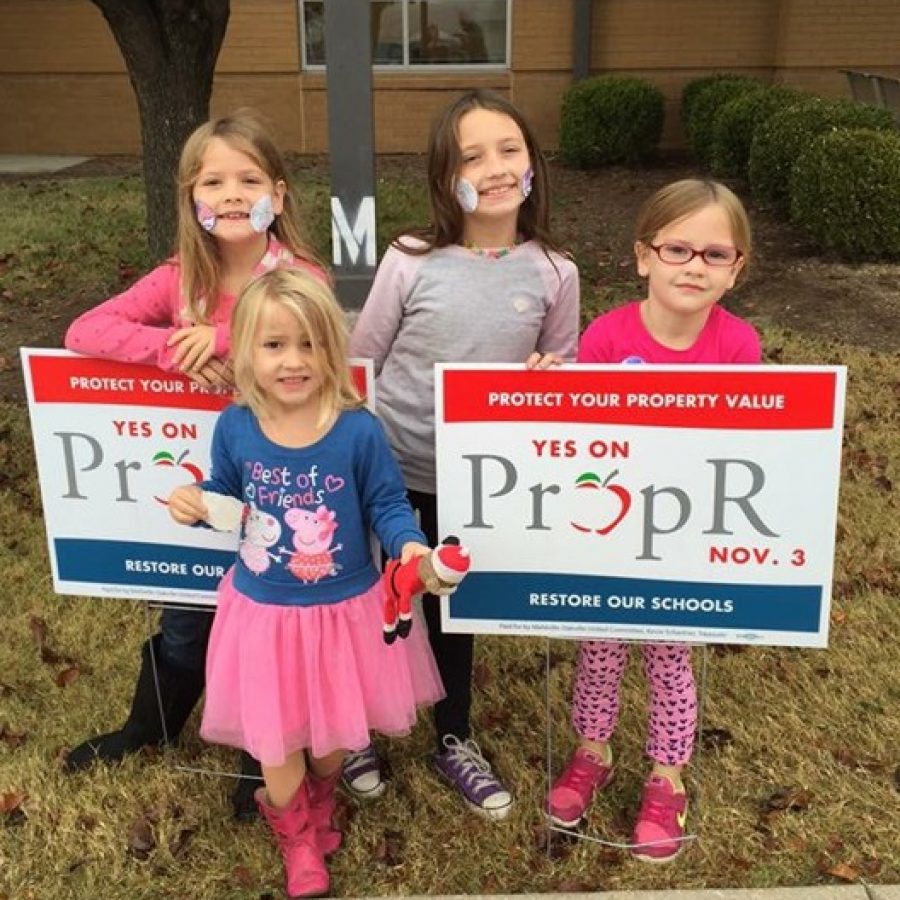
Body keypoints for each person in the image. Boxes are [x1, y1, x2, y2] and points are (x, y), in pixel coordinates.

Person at [62, 109, 325, 821]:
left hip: (278, 489)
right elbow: (84, 330)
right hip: (195, 492)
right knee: (188, 619)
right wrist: (171, 345)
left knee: (267, 626)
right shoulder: (178, 280)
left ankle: (260, 756)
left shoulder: (301, 276)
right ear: (191, 197)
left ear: (278, 190)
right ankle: (147, 726)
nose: (232, 193)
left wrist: (221, 341)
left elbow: (313, 345)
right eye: (214, 180)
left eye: (247, 178)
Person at [168, 267, 443, 898]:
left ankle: (318, 800)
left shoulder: (357, 430)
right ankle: (295, 836)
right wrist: (197, 500)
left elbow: (388, 504)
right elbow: (224, 491)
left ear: (331, 349)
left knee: (332, 736)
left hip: (344, 609)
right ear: (243, 352)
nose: (292, 361)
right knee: (277, 733)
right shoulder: (236, 425)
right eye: (273, 345)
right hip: (265, 612)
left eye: (308, 344)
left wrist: (411, 547)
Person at [349, 88, 580, 819]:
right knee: (378, 605)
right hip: (392, 473)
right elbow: (362, 364)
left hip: (479, 485)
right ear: (447, 175)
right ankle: (356, 728)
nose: (496, 167)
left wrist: (550, 380)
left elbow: (563, 373)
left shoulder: (555, 272)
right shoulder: (411, 260)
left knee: (454, 615)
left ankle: (453, 736)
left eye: (509, 149)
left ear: (533, 164)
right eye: (473, 155)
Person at [546, 178, 762, 862]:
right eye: (677, 249)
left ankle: (668, 778)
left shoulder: (738, 346)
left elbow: (744, 450)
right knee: (599, 650)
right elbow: (581, 440)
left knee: (672, 659)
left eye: (714, 254)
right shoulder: (608, 336)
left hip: (684, 541)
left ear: (735, 270)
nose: (694, 265)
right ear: (644, 256)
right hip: (611, 537)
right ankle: (592, 751)